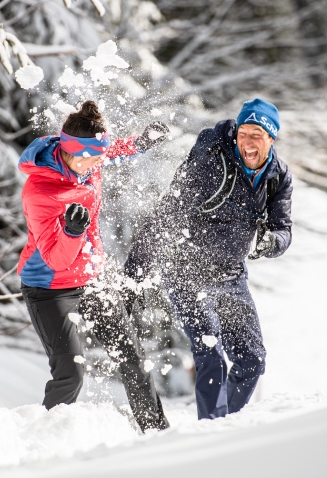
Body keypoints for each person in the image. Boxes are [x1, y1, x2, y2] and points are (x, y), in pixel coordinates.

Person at [124, 98, 293, 420]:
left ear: (271, 139)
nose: (248, 141)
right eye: (244, 132)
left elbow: (282, 228)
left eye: (257, 134)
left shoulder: (277, 176)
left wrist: (273, 243)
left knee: (252, 361)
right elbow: (167, 214)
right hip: (187, 269)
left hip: (231, 274)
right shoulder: (212, 163)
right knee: (210, 354)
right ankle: (213, 432)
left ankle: (223, 424)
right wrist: (135, 275)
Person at [17, 100, 170, 431]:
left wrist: (139, 143)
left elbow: (109, 150)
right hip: (50, 288)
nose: (102, 162)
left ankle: (159, 435)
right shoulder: (40, 192)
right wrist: (73, 232)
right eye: (95, 157)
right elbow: (55, 259)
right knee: (71, 374)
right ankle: (44, 441)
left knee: (133, 361)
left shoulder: (87, 161)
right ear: (76, 153)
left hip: (92, 279)